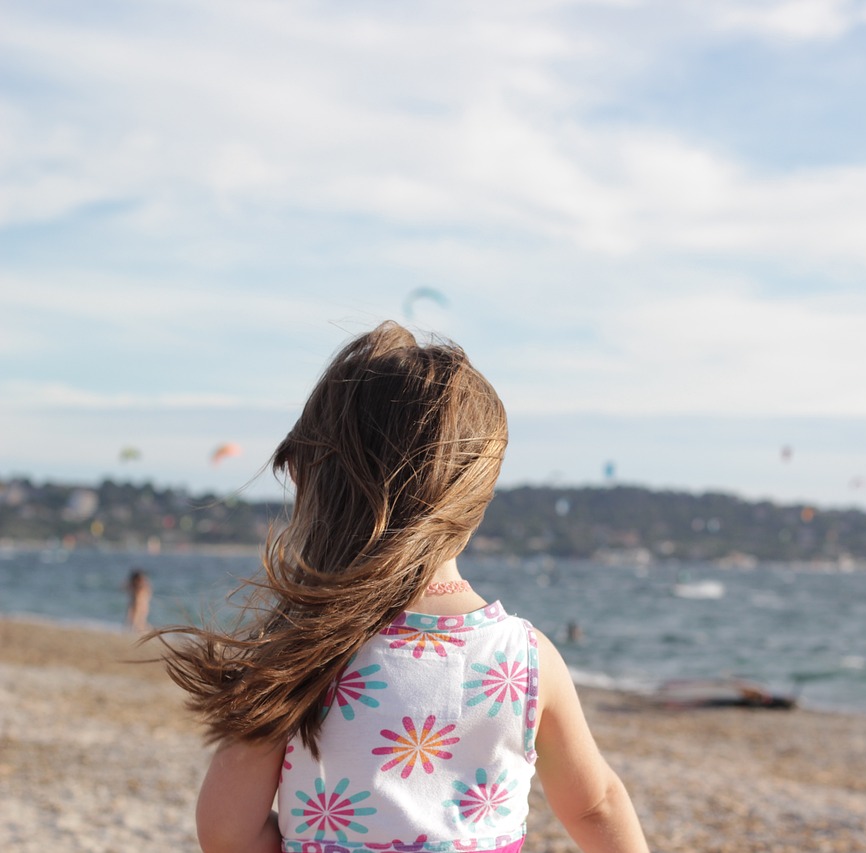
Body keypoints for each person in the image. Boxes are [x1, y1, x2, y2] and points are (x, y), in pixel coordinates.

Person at [154, 322, 648, 853]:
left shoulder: (302, 649)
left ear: (322, 485)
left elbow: (228, 832)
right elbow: (597, 806)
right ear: (477, 496)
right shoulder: (526, 659)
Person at [125, 569, 152, 633]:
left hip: (141, 605)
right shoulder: (135, 585)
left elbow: (147, 594)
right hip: (136, 604)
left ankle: (146, 631)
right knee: (133, 621)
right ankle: (131, 632)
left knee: (139, 622)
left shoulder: (143, 585)